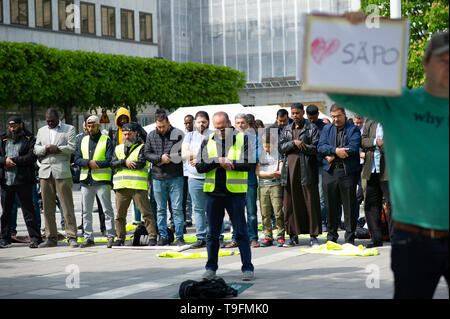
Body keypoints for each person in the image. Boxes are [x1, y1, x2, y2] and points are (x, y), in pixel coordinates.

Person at [331, 14, 448, 299]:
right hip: (413, 238)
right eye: (443, 59)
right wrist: (350, 37)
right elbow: (338, 89)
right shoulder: (400, 103)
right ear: (426, 63)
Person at [196, 111, 254, 281]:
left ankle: (247, 268)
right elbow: (199, 166)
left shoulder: (243, 139)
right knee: (212, 234)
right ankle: (211, 268)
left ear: (230, 123)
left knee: (241, 232)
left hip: (235, 194)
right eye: (217, 128)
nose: (221, 131)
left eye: (223, 127)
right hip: (213, 193)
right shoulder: (208, 140)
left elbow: (249, 164)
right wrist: (217, 161)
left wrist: (231, 164)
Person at [34, 108, 78, 248]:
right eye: (48, 121)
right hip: (45, 172)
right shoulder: (41, 131)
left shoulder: (69, 129)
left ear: (58, 118)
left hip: (62, 172)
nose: (50, 123)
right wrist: (46, 148)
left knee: (67, 206)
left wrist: (57, 148)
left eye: (52, 121)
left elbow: (72, 147)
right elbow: (36, 149)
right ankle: (51, 238)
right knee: (47, 208)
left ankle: (71, 236)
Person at [317, 104, 361, 245]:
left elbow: (353, 148)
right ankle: (331, 237)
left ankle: (349, 238)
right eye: (333, 116)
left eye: (338, 116)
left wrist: (333, 154)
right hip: (329, 172)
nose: (335, 119)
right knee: (330, 205)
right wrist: (336, 151)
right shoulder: (326, 128)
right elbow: (321, 147)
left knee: (349, 206)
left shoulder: (353, 129)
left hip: (347, 172)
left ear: (344, 115)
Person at [279, 103, 322, 247]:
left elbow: (317, 148)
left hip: (306, 170)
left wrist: (302, 146)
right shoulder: (286, 129)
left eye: (297, 113)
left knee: (311, 203)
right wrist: (293, 143)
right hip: (289, 171)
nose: (295, 115)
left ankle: (313, 236)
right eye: (293, 113)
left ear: (303, 113)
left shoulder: (312, 128)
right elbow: (280, 147)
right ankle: (292, 235)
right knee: (291, 204)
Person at [110, 123, 157, 246]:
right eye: (125, 134)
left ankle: (152, 237)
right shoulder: (118, 148)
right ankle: (120, 239)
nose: (127, 137)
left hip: (137, 186)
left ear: (136, 134)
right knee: (120, 215)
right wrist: (124, 162)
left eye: (129, 134)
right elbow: (112, 163)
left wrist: (121, 163)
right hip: (121, 187)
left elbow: (140, 163)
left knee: (146, 213)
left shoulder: (142, 147)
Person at [144, 109, 185, 246]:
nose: (161, 129)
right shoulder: (151, 135)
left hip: (175, 176)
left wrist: (168, 158)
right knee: (160, 209)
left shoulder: (178, 134)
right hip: (158, 177)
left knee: (177, 209)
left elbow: (181, 153)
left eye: (163, 126)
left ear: (169, 123)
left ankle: (179, 236)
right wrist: (159, 159)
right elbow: (147, 153)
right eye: (158, 126)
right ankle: (163, 235)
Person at [74, 115, 116, 248]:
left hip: (102, 180)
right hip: (86, 180)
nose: (90, 129)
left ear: (98, 126)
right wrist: (88, 163)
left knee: (107, 210)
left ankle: (110, 236)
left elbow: (110, 159)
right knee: (86, 211)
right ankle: (88, 237)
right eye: (89, 126)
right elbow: (77, 158)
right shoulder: (82, 140)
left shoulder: (106, 140)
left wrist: (96, 164)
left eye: (93, 126)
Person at [0, 116, 42, 248]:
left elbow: (31, 157)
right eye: (10, 126)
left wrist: (13, 161)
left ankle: (35, 238)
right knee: (6, 212)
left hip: (23, 181)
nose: (12, 128)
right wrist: (4, 161)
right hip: (6, 181)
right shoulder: (3, 139)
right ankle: (4, 238)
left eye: (15, 126)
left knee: (28, 211)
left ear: (21, 125)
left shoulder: (30, 139)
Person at [108, 107, 147, 224]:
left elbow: (146, 138)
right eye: (121, 119)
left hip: (135, 169)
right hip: (120, 171)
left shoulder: (135, 128)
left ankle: (137, 220)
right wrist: (123, 162)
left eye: (125, 118)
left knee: (140, 203)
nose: (123, 121)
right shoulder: (114, 131)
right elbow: (112, 153)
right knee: (121, 209)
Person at [182, 111, 214, 248]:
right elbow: (184, 154)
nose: (201, 124)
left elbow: (215, 154)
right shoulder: (189, 136)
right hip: (194, 178)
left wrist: (197, 157)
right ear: (195, 122)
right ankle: (201, 237)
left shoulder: (213, 135)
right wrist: (202, 156)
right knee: (199, 209)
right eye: (199, 121)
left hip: (210, 177)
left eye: (204, 121)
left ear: (208, 122)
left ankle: (214, 235)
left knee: (213, 208)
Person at [228, 113, 259, 248]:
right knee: (235, 212)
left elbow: (255, 156)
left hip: (249, 180)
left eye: (243, 123)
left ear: (247, 124)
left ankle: (253, 238)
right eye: (238, 123)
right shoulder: (230, 139)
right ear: (235, 124)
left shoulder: (254, 139)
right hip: (234, 180)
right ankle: (236, 238)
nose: (240, 125)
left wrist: (240, 159)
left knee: (251, 213)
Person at [361, 121, 391, 248]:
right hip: (371, 168)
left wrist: (384, 145)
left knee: (392, 204)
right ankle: (376, 238)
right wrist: (375, 143)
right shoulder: (369, 121)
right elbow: (363, 141)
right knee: (371, 204)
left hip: (389, 169)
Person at [256, 131, 284, 247]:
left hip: (275, 185)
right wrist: (271, 173)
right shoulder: (260, 154)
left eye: (269, 146)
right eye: (265, 145)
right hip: (263, 186)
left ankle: (280, 235)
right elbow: (258, 172)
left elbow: (281, 169)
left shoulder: (278, 153)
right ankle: (268, 236)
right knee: (265, 212)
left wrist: (278, 172)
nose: (267, 148)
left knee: (278, 211)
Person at [306, 104, 328, 231]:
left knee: (321, 195)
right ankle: (311, 221)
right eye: (310, 118)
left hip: (320, 164)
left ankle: (323, 221)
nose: (312, 120)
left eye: (314, 118)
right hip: (307, 164)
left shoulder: (324, 127)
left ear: (318, 115)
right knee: (308, 194)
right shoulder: (304, 125)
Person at [181, 114, 194, 227]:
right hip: (184, 170)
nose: (188, 125)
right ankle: (186, 217)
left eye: (190, 122)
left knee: (191, 197)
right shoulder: (182, 136)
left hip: (195, 171)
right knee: (184, 197)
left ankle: (189, 217)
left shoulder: (198, 135)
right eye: (186, 123)